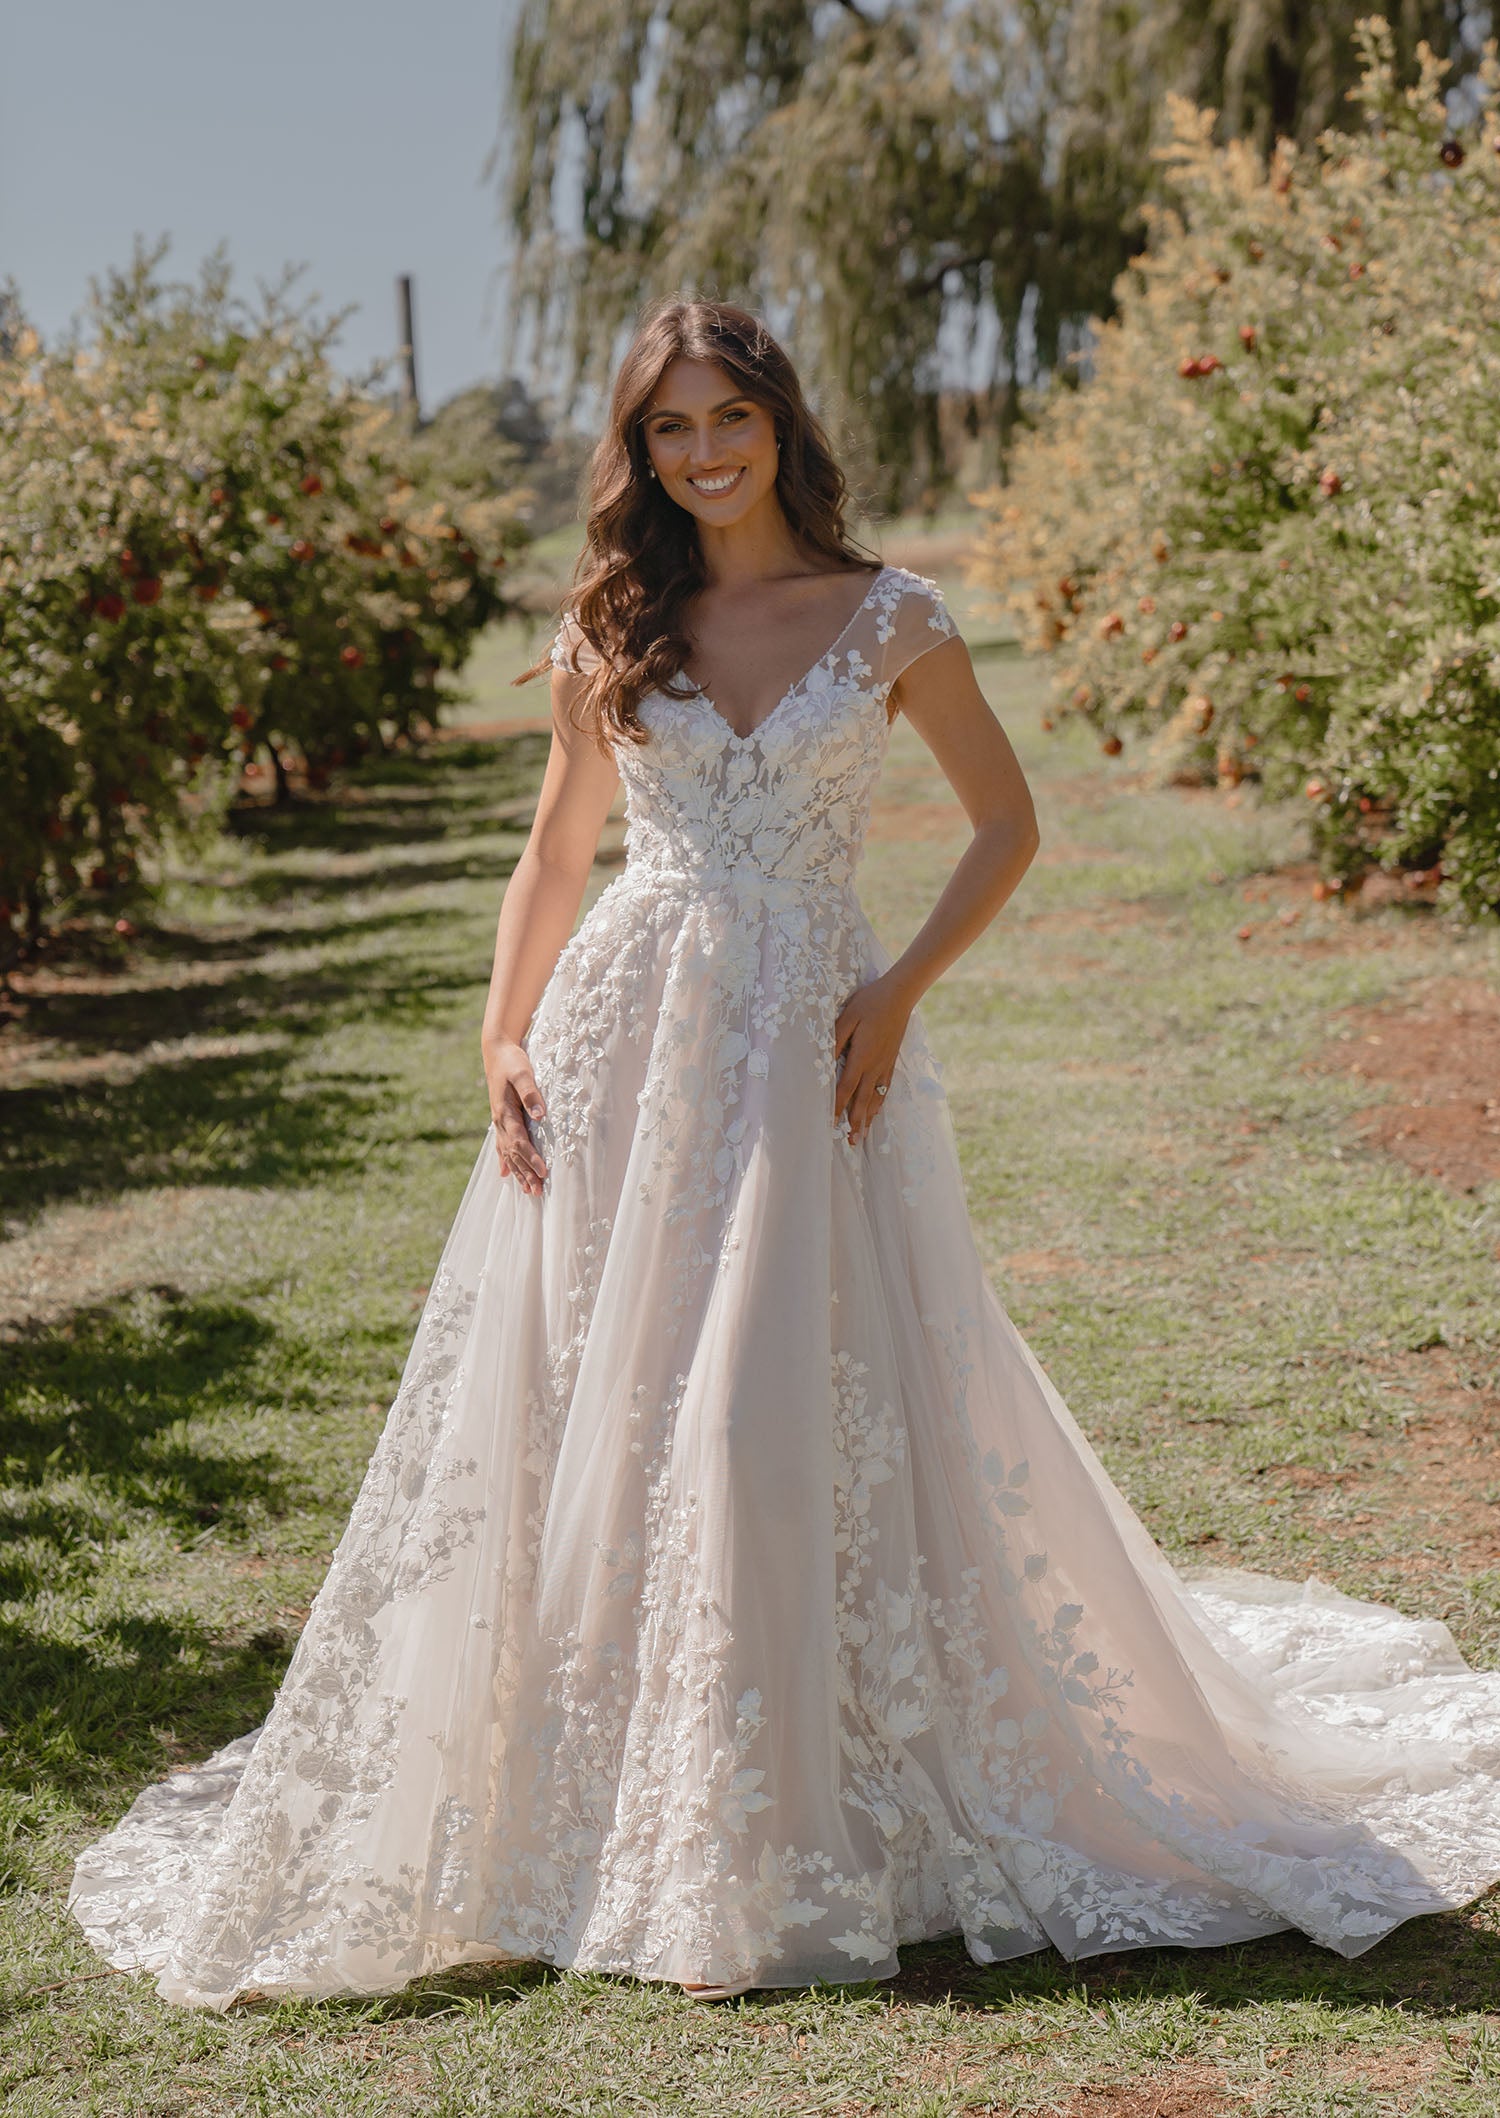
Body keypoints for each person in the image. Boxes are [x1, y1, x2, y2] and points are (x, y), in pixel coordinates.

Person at [69, 298, 1500, 2012]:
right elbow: (555, 852)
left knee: (766, 1409)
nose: (700, 453)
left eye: (725, 417)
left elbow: (1007, 823)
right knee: (620, 1413)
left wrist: (897, 989)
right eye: (667, 428)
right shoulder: (613, 622)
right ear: (641, 450)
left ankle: (785, 1815)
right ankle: (623, 1796)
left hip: (814, 1042)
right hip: (630, 1047)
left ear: (777, 420)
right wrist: (500, 1031)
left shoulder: (888, 614)